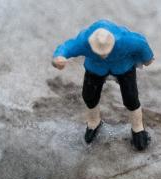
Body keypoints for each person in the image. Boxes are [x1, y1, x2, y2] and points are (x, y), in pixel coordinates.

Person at [52, 20, 154, 150]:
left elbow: (142, 44)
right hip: (96, 68)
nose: (103, 54)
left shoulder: (126, 40)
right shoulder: (84, 41)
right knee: (89, 96)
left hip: (123, 67)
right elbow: (68, 46)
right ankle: (93, 122)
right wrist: (59, 57)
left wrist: (147, 58)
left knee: (131, 98)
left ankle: (138, 127)